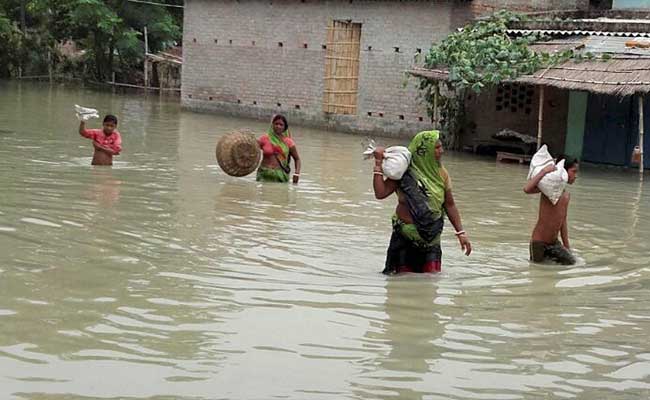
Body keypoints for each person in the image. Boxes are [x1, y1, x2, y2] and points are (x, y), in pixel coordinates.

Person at [373, 130, 471, 275]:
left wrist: (461, 233)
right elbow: (380, 193)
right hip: (404, 238)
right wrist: (378, 164)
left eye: (441, 147)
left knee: (430, 284)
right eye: (436, 148)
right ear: (423, 151)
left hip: (431, 239)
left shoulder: (442, 174)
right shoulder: (403, 173)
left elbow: (449, 204)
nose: (441, 151)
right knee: (401, 284)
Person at [524, 155, 579, 265]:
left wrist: (567, 246)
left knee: (571, 263)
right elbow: (527, 189)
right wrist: (544, 171)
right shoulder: (549, 189)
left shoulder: (566, 195)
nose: (576, 176)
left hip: (554, 243)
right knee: (538, 272)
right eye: (573, 171)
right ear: (563, 171)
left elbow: (563, 222)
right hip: (538, 243)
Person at [257, 114, 301, 184]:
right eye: (276, 124)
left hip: (281, 176)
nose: (278, 126)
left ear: (284, 127)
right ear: (272, 125)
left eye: (281, 125)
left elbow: (297, 159)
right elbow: (252, 151)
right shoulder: (264, 139)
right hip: (264, 174)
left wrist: (297, 174)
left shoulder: (289, 142)